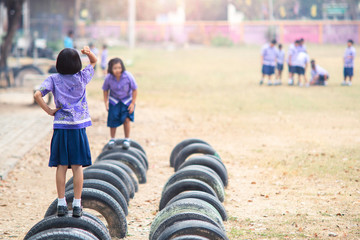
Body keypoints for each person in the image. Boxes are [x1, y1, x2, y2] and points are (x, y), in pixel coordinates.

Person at [33, 46, 97, 217]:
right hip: (78, 128)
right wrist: (88, 52)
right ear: (77, 63)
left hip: (61, 128)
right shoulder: (82, 77)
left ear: (58, 63)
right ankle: (77, 204)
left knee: (61, 166)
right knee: (77, 167)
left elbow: (37, 95)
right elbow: (94, 62)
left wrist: (49, 110)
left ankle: (61, 203)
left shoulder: (53, 79)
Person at [102, 58, 138, 149]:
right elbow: (105, 90)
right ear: (110, 69)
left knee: (126, 119)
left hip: (126, 101)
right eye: (115, 68)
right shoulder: (108, 78)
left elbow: (135, 89)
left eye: (119, 67)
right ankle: (112, 139)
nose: (118, 70)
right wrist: (106, 102)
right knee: (112, 120)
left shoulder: (128, 76)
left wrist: (133, 103)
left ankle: (127, 139)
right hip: (114, 101)